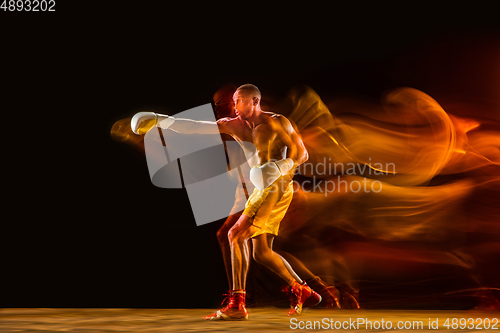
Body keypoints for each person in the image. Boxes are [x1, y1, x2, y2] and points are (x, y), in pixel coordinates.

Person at [131, 84, 322, 320]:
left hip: (277, 186)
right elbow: (197, 128)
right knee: (261, 253)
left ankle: (236, 304)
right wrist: (162, 120)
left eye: (240, 100)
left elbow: (302, 154)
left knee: (234, 235)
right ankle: (301, 289)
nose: (235, 105)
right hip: (262, 189)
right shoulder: (234, 125)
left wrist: (279, 166)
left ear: (254, 101)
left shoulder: (277, 123)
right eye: (234, 100)